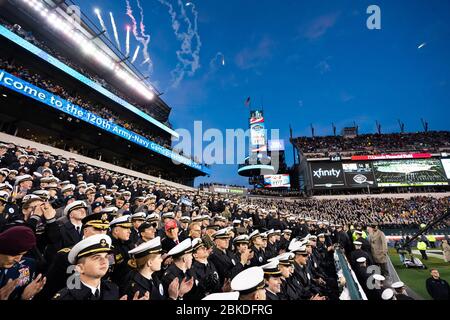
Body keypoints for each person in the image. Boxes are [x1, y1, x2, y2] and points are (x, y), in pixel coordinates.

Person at [52, 234, 122, 300]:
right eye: (96, 258)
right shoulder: (66, 297)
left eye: (106, 257)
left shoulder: (113, 289)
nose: (104, 261)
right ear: (80, 268)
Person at [0, 226, 46, 300]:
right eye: (14, 254)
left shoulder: (28, 264)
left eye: (22, 254)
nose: (18, 260)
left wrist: (23, 297)